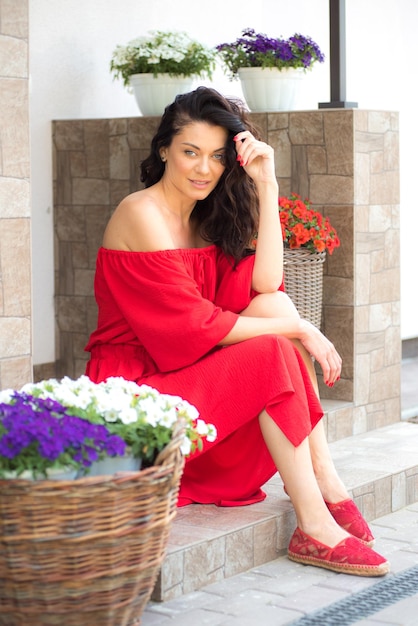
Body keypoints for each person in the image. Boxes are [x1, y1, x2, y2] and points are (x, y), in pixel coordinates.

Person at [85, 87, 389, 577]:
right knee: (274, 345)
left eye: (217, 157)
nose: (204, 169)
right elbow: (192, 327)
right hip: (136, 392)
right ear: (163, 149)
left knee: (276, 304)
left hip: (183, 376)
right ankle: (313, 522)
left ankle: (325, 478)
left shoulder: (204, 216)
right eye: (190, 152)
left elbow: (268, 284)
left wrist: (267, 185)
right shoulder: (139, 213)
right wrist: (299, 328)